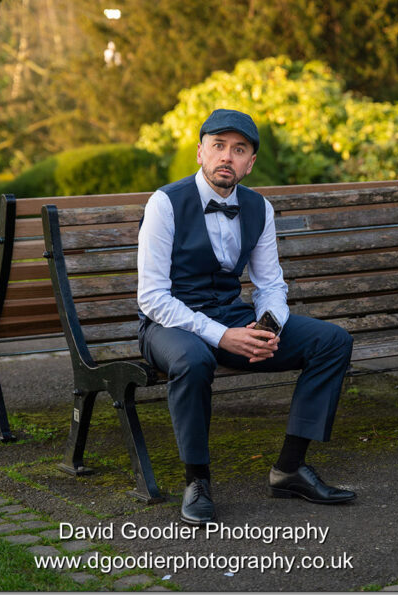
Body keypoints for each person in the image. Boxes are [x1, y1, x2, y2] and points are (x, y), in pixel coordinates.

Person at [137, 109, 356, 526]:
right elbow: (152, 297)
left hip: (232, 316)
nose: (227, 156)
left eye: (239, 150)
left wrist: (266, 329)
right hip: (169, 323)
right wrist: (223, 336)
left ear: (250, 163)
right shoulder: (165, 203)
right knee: (194, 360)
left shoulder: (259, 207)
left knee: (332, 342)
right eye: (218, 146)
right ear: (200, 152)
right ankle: (197, 481)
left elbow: (270, 283)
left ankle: (289, 469)